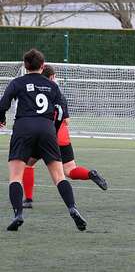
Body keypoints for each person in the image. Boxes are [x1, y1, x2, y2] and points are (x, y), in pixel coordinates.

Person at [0, 49, 87, 231]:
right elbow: (61, 112)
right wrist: (51, 130)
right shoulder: (52, 86)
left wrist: (2, 120)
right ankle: (72, 208)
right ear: (43, 65)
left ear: (25, 66)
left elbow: (3, 104)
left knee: (16, 176)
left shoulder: (17, 82)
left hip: (23, 128)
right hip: (47, 129)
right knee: (59, 176)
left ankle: (18, 215)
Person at [22, 65, 108, 209]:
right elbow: (66, 120)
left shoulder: (35, 93)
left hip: (44, 135)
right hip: (62, 136)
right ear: (51, 77)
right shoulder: (59, 94)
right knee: (70, 170)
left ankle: (28, 199)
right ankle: (90, 173)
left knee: (27, 164)